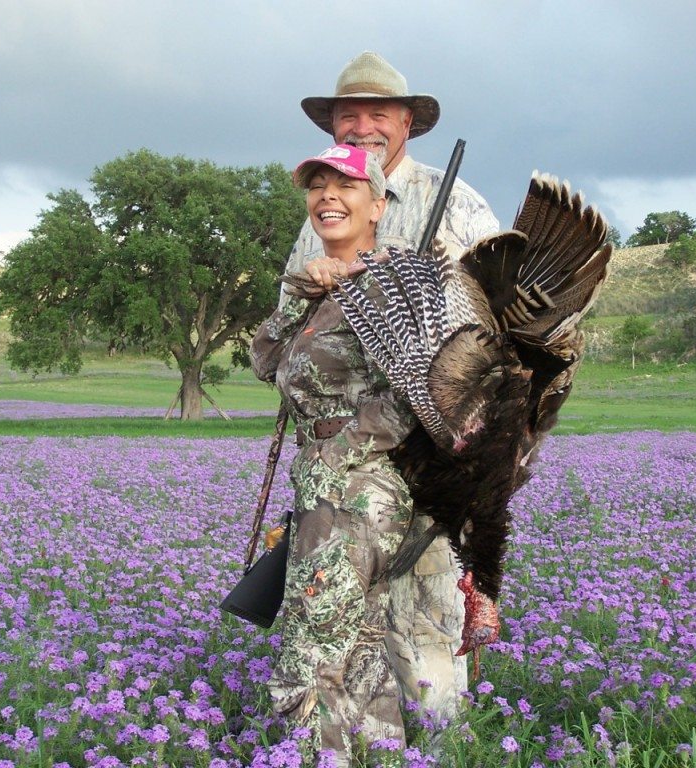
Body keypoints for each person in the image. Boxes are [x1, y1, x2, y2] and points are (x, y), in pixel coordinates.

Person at [283, 50, 500, 727]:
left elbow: (493, 333)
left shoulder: (456, 202)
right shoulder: (324, 201)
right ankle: (368, 739)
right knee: (349, 616)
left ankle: (442, 743)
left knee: (430, 613)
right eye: (349, 115)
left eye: (380, 114)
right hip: (340, 468)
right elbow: (294, 314)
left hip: (430, 449)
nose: (363, 126)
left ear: (408, 122)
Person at [251, 144, 420, 764]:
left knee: (314, 642)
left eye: (345, 186)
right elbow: (264, 361)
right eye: (317, 186)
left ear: (377, 204)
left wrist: (340, 452)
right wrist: (301, 290)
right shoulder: (320, 281)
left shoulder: (398, 283)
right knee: (355, 645)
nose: (327, 196)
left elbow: (421, 392)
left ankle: (311, 757)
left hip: (358, 485)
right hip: (325, 482)